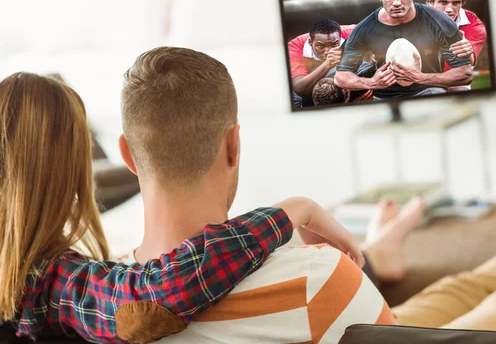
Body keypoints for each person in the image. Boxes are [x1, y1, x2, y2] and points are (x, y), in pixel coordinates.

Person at [114, 47, 496, 342]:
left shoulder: (106, 293)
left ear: (129, 156)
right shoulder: (312, 279)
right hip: (341, 320)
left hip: (331, 322)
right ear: (234, 144)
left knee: (456, 290)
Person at [0, 72, 363, 343]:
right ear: (233, 145)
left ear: (128, 155)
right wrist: (294, 210)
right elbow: (149, 303)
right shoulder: (44, 279)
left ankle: (383, 248)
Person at [334, 0, 475, 99]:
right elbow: (341, 77)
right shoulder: (364, 29)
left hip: (428, 90)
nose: (396, 2)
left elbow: (465, 74)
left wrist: (420, 78)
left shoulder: (439, 21)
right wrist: (373, 83)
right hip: (382, 96)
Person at [426, 0, 488, 90]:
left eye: (455, 3)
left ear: (461, 3)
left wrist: (466, 50)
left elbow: (471, 59)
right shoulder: (417, 18)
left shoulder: (474, 23)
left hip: (456, 81)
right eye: (443, 2)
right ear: (431, 3)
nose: (449, 10)